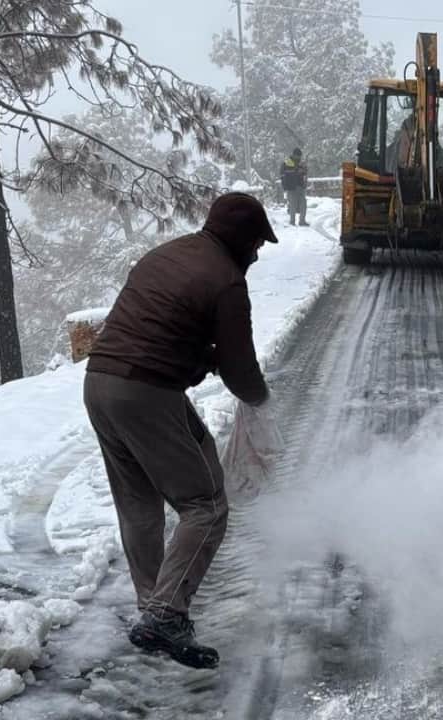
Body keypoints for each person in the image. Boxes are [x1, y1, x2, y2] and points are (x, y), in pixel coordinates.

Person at [83, 192, 277, 670]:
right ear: (240, 239)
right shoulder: (227, 281)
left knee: (141, 501)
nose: (257, 254)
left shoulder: (166, 254)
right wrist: (260, 401)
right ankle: (166, 615)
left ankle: (153, 607)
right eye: (256, 243)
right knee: (206, 507)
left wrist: (199, 357)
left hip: (100, 385)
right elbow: (240, 369)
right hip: (146, 392)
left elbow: (157, 327)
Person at [279, 147, 308, 226]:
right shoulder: (287, 162)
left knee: (303, 204)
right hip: (291, 187)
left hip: (300, 186)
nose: (299, 158)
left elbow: (305, 173)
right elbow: (282, 174)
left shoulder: (301, 163)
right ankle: (292, 221)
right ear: (294, 155)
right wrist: (284, 186)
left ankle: (302, 221)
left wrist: (304, 172)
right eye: (298, 156)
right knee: (293, 205)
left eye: (300, 156)